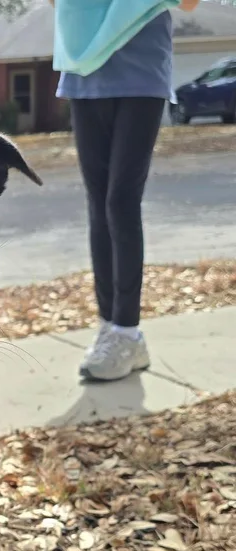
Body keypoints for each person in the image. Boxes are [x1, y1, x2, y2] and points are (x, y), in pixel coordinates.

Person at [51, 0, 200, 381]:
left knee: (121, 202)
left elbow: (189, 3)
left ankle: (127, 330)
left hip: (141, 74)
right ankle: (111, 327)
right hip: (84, 70)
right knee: (99, 205)